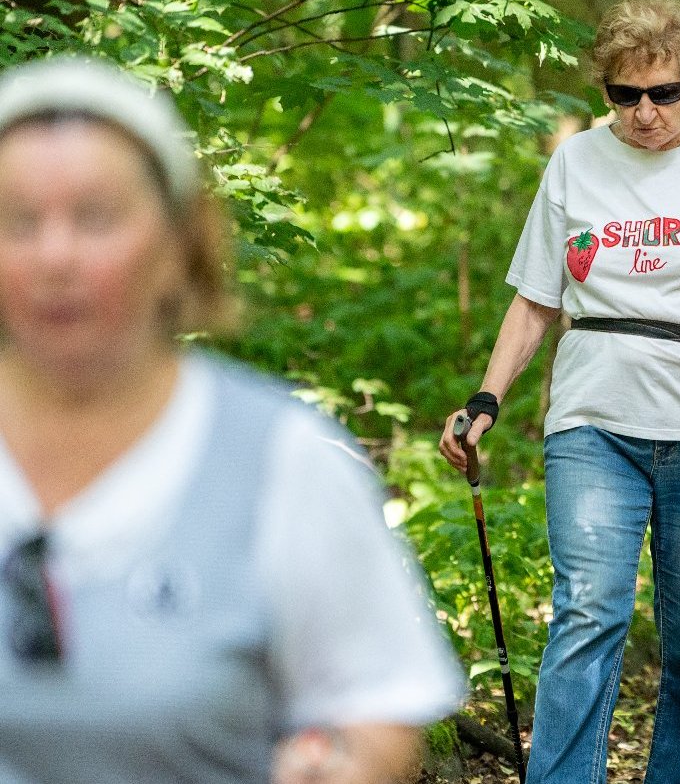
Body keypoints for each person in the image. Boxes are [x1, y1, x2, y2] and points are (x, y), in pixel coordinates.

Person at [0, 57, 464, 782]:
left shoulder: (281, 457)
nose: (54, 255)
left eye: (96, 217)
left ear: (180, 241)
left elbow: (378, 708)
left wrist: (335, 765)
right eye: (18, 221)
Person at [438, 0, 680, 784]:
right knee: (587, 612)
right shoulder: (575, 160)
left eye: (663, 93)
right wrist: (485, 400)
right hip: (593, 419)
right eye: (624, 95)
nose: (645, 112)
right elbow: (536, 298)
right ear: (604, 91)